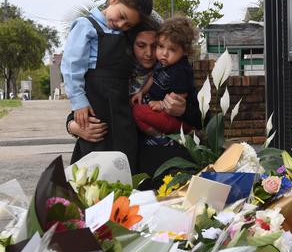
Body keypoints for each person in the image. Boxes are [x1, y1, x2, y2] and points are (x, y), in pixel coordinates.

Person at [66, 24, 203, 177]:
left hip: (172, 165)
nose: (149, 53)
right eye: (141, 45)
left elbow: (202, 119)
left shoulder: (174, 72)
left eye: (154, 45)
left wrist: (184, 111)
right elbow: (79, 113)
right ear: (130, 45)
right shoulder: (118, 76)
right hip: (129, 165)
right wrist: (75, 127)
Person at [61, 0, 153, 172]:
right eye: (122, 17)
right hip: (96, 104)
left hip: (121, 107)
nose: (121, 25)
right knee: (95, 156)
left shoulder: (125, 34)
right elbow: (71, 66)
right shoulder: (86, 26)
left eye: (128, 24)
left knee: (125, 157)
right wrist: (78, 102)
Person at [132, 16, 197, 136]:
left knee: (137, 112)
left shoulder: (180, 70)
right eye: (161, 46)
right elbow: (153, 77)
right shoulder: (162, 63)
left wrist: (161, 104)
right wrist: (141, 92)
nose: (164, 54)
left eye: (172, 49)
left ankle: (161, 137)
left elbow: (178, 98)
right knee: (136, 108)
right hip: (159, 110)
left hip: (175, 118)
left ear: (185, 51)